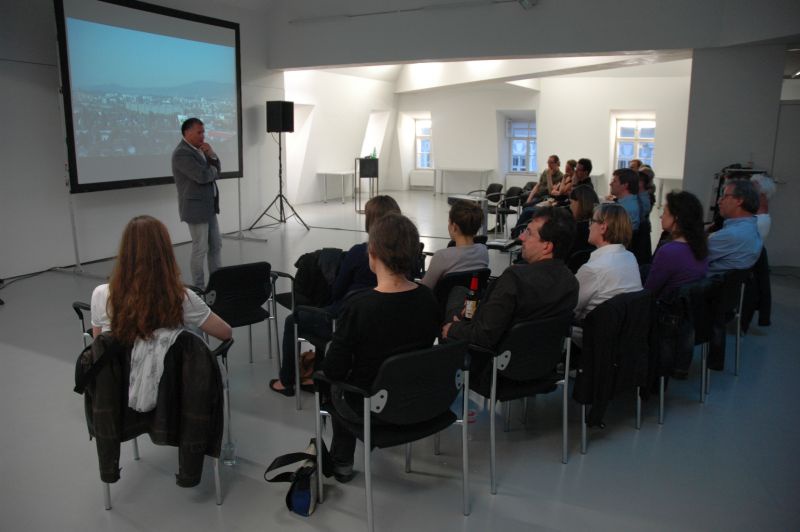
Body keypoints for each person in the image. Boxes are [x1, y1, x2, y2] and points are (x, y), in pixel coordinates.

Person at [321, 213, 440, 482]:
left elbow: (334, 370)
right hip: (419, 399)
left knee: (335, 384)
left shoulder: (358, 306)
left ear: (372, 253)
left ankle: (342, 462)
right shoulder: (428, 298)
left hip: (370, 407)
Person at [90, 215, 232, 411]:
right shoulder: (182, 298)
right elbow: (225, 333)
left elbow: (99, 344)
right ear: (165, 253)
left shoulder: (100, 294)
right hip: (170, 395)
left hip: (119, 392)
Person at [270, 195, 401, 396]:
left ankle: (286, 381)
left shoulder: (360, 253)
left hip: (347, 323)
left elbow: (337, 290)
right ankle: (316, 370)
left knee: (293, 320)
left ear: (370, 223)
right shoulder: (406, 257)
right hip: (385, 325)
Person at [442, 206, 578, 357]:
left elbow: (483, 336)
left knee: (456, 295)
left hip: (495, 361)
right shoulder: (571, 282)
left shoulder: (515, 279)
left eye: (529, 233)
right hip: (539, 360)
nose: (521, 237)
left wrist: (453, 329)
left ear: (546, 246)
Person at [573, 203, 642, 346]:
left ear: (603, 227)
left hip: (596, 338)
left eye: (592, 221)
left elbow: (570, 308)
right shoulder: (630, 258)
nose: (589, 226)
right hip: (625, 338)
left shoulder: (593, 269)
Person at [172, 117, 222, 288]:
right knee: (200, 249)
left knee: (216, 246)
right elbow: (202, 176)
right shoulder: (181, 153)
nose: (203, 136)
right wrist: (213, 170)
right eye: (199, 132)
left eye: (203, 132)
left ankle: (217, 285)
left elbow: (216, 169)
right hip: (195, 209)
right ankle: (199, 288)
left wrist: (212, 155)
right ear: (187, 132)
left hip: (209, 207)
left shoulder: (201, 150)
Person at [644, 191, 709, 299]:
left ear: (676, 218)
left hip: (664, 306)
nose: (661, 216)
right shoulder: (701, 245)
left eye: (665, 213)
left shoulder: (669, 251)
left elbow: (649, 291)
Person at [421, 200, 490, 289]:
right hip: (472, 297)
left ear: (454, 227)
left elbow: (425, 289)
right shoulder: (483, 250)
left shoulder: (442, 256)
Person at [707, 179, 762, 273]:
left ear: (739, 200)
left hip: (705, 281)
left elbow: (688, 258)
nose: (719, 201)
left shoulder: (732, 234)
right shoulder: (750, 229)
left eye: (725, 196)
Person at [567, 185, 599, 259]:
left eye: (571, 202)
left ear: (579, 203)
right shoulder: (600, 227)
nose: (570, 206)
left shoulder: (575, 230)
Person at [750, 173, 776, 240]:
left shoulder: (760, 220)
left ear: (763, 193)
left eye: (753, 188)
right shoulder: (756, 216)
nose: (748, 192)